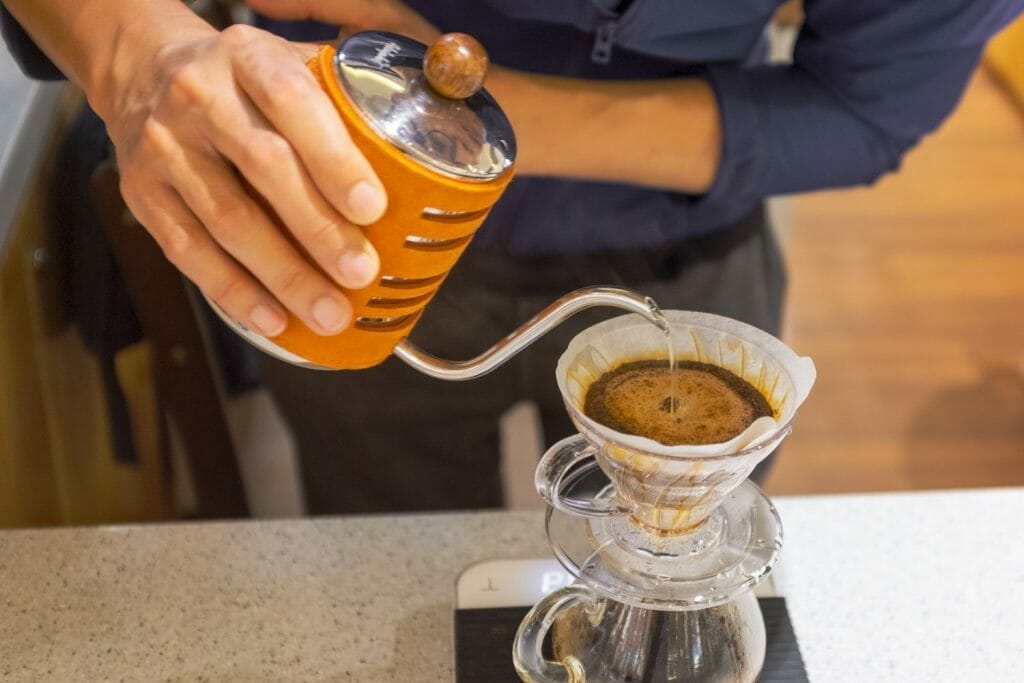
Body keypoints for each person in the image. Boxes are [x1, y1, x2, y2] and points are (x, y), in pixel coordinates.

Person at [3, 0, 1021, 513]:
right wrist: (132, 45)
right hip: (345, 219)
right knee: (384, 544)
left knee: (667, 544)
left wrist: (489, 123)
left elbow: (862, 105)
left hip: (682, 222)